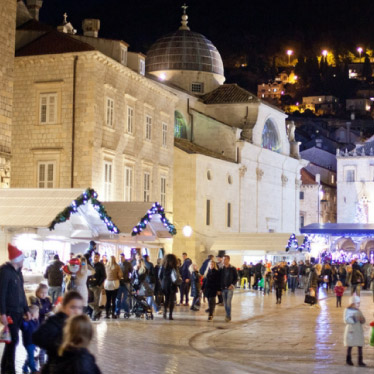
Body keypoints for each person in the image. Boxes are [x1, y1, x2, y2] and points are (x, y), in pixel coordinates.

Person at [32, 291, 84, 374]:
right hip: (56, 366)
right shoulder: (55, 321)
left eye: (79, 308)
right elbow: (37, 337)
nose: (76, 311)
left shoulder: (80, 324)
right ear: (64, 307)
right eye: (72, 307)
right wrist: (58, 345)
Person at [0, 243, 30, 374]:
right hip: (10, 312)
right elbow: (1, 293)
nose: (23, 261)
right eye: (22, 258)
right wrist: (2, 313)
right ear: (17, 260)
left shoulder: (18, 273)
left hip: (18, 311)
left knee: (13, 341)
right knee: (12, 340)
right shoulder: (5, 272)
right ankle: (9, 369)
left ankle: (6, 367)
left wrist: (26, 309)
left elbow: (22, 293)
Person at [29, 283, 53, 369]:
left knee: (43, 345)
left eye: (45, 292)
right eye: (42, 292)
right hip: (37, 325)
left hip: (45, 325)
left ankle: (39, 359)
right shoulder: (35, 301)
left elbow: (49, 308)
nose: (44, 294)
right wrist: (45, 312)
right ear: (37, 292)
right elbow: (37, 311)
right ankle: (41, 363)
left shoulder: (47, 300)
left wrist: (51, 311)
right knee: (39, 345)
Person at [344, 295, 366, 367]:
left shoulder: (358, 310)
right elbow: (346, 320)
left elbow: (363, 319)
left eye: (359, 303)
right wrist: (355, 318)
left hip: (358, 330)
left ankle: (360, 361)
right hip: (351, 329)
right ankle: (348, 360)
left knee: (360, 346)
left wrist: (362, 319)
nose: (358, 305)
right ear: (353, 303)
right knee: (350, 345)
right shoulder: (347, 310)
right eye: (357, 303)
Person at [159, 254, 179, 320]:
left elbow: (160, 276)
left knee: (166, 299)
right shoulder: (174, 267)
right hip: (172, 284)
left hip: (165, 284)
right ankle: (170, 315)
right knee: (172, 300)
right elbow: (177, 276)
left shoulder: (163, 267)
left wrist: (162, 282)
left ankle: (165, 312)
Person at [20, 305, 40, 374]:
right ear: (32, 314)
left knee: (30, 356)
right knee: (31, 357)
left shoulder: (36, 321)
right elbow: (23, 327)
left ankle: (25, 367)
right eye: (37, 313)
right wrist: (26, 320)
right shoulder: (26, 322)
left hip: (33, 342)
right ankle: (34, 370)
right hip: (28, 342)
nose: (38, 314)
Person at [88, 252, 106, 321]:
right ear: (92, 257)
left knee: (96, 301)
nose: (95, 258)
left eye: (97, 257)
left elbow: (104, 276)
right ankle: (98, 310)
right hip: (90, 285)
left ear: (99, 258)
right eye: (94, 257)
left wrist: (99, 284)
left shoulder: (100, 265)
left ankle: (94, 315)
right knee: (89, 301)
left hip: (96, 286)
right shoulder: (90, 265)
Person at [220, 255, 238, 322]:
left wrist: (232, 285)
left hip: (229, 288)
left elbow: (236, 278)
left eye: (225, 259)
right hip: (223, 288)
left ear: (228, 260)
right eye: (223, 259)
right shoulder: (221, 269)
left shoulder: (233, 268)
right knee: (225, 303)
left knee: (228, 302)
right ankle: (227, 314)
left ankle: (228, 316)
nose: (223, 261)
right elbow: (220, 278)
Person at [115, 254, 132, 318]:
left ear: (124, 257)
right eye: (120, 257)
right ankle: (117, 311)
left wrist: (130, 279)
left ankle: (127, 311)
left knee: (125, 299)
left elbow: (131, 272)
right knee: (118, 299)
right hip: (119, 283)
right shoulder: (118, 264)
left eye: (122, 257)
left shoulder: (128, 264)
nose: (120, 258)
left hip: (126, 283)